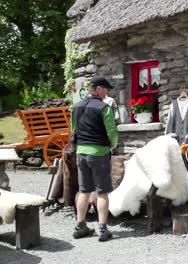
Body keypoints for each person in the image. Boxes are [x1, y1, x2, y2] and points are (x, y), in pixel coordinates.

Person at [71, 76, 118, 242]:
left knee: (84, 190)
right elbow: (112, 132)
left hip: (81, 153)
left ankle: (80, 226)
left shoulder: (75, 107)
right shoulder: (104, 108)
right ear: (98, 89)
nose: (107, 92)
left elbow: (74, 130)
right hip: (99, 153)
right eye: (106, 89)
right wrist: (112, 145)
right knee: (102, 192)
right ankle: (103, 229)